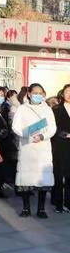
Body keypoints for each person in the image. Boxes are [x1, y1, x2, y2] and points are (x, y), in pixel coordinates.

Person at [12, 83, 56, 218]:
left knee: (43, 179)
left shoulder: (47, 109)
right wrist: (28, 135)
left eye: (40, 93)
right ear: (29, 94)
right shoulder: (22, 109)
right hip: (27, 147)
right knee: (26, 179)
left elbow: (52, 128)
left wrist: (42, 136)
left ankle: (41, 209)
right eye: (34, 92)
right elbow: (16, 127)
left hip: (43, 147)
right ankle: (26, 208)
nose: (37, 95)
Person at [52, 84, 70, 213]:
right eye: (67, 91)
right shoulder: (56, 109)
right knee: (59, 174)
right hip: (61, 145)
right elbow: (53, 127)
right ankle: (58, 202)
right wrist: (65, 134)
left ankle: (68, 203)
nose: (69, 94)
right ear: (62, 94)